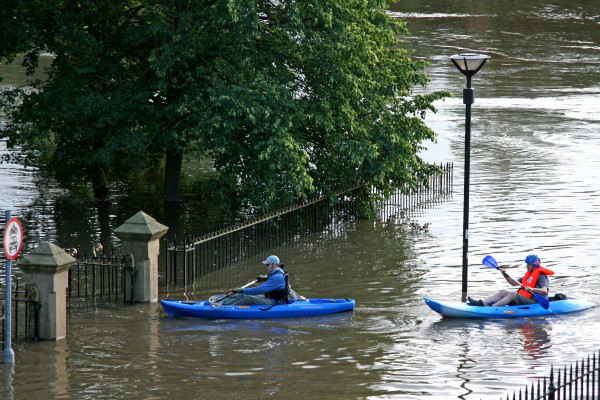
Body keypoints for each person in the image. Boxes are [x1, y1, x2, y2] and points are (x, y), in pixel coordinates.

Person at [468, 254, 554, 307]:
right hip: (526, 298)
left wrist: (532, 289)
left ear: (534, 265)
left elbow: (544, 291)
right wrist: (504, 274)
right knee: (503, 292)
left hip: (536, 301)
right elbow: (513, 283)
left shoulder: (541, 276)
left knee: (513, 294)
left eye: (528, 264)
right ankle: (483, 303)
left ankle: (492, 308)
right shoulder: (529, 275)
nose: (527, 266)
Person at [220, 255, 289, 306]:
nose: (265, 266)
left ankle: (225, 308)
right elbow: (273, 279)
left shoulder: (277, 277)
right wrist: (265, 278)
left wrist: (243, 290)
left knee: (246, 298)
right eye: (265, 264)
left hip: (274, 301)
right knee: (240, 295)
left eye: (267, 265)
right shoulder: (278, 270)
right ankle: (225, 303)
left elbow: (261, 289)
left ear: (274, 265)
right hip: (269, 298)